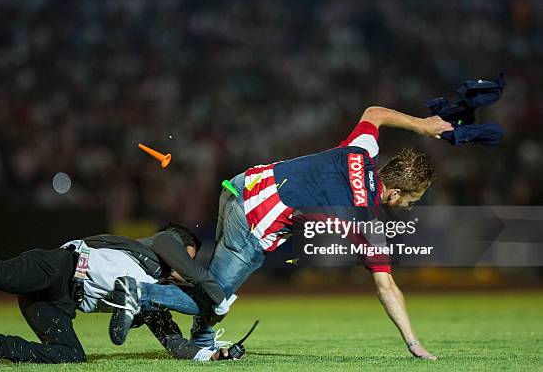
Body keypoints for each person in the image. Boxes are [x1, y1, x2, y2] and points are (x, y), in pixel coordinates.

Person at [111, 106, 452, 361]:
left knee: (214, 284)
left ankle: (202, 342)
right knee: (215, 296)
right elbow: (386, 286)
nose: (410, 208)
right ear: (393, 193)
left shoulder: (361, 152)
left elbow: (374, 113)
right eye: (412, 201)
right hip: (253, 221)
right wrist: (412, 342)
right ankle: (137, 293)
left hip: (241, 186)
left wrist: (422, 125)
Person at [0, 224, 234, 363]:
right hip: (58, 267)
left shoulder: (149, 295)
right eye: (187, 257)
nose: (183, 267)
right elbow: (190, 270)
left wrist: (215, 355)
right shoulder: (160, 245)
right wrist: (214, 293)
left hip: (61, 303)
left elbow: (175, 343)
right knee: (0, 274)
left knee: (69, 355)